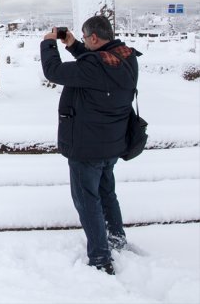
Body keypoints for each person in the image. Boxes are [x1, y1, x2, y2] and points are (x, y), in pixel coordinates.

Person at [40, 15, 142, 275]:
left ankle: (99, 257)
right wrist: (74, 44)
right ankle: (116, 240)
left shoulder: (96, 66)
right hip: (111, 144)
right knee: (108, 195)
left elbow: (54, 72)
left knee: (88, 202)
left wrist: (49, 43)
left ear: (94, 37)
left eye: (85, 38)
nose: (84, 41)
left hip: (86, 147)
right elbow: (95, 63)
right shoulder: (126, 58)